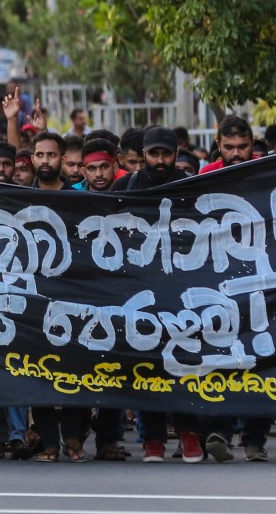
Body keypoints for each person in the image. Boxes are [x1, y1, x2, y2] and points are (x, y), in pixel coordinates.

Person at [111, 127, 203, 463]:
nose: (160, 161)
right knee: (146, 364)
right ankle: (152, 439)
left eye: (166, 154)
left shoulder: (191, 185)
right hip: (140, 291)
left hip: (183, 290)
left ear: (176, 153)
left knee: (185, 361)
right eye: (154, 154)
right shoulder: (126, 186)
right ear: (144, 154)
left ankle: (189, 434)